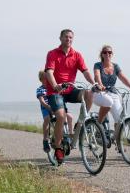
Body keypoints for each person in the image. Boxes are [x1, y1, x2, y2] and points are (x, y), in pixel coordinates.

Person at [44, 29, 95, 164]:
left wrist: (94, 83)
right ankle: (58, 147)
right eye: (66, 37)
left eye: (71, 37)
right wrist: (55, 85)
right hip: (56, 91)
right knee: (61, 116)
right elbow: (49, 72)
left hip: (70, 90)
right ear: (60, 38)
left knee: (89, 93)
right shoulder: (52, 54)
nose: (69, 39)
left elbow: (85, 72)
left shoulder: (76, 55)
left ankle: (81, 121)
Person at [93, 45, 130, 150]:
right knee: (108, 102)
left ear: (112, 54)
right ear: (102, 54)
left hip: (113, 93)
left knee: (119, 120)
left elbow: (123, 78)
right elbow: (97, 76)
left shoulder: (116, 66)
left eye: (109, 52)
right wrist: (100, 85)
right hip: (99, 92)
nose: (107, 54)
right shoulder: (98, 65)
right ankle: (98, 124)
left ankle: (118, 143)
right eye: (105, 52)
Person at [37, 70, 73, 153]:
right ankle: (45, 139)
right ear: (41, 79)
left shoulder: (54, 88)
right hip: (46, 107)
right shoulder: (40, 89)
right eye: (44, 79)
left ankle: (68, 135)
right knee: (47, 119)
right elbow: (42, 101)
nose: (47, 80)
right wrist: (48, 107)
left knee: (68, 117)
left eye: (48, 78)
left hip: (55, 106)